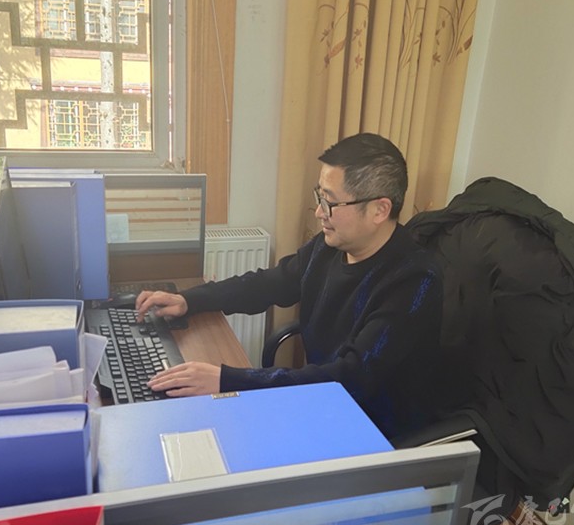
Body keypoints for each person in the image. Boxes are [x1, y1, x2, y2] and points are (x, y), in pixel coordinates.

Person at [135, 133, 442, 437]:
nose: (319, 212)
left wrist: (227, 380)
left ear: (379, 210)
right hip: (321, 401)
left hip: (371, 427)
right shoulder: (329, 247)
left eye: (330, 202)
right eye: (320, 197)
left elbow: (352, 377)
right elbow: (270, 283)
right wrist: (190, 300)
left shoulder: (414, 281)